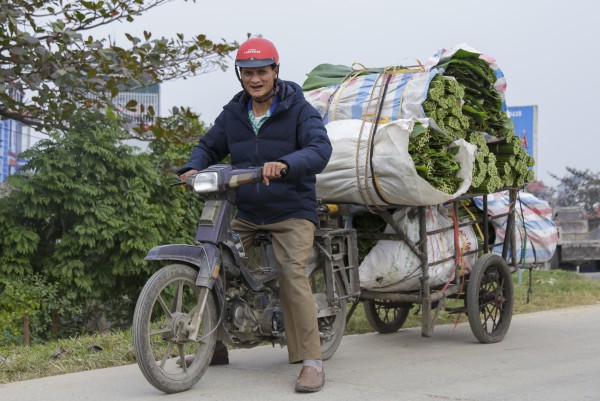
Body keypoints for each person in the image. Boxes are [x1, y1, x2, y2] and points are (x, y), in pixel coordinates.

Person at [178, 37, 332, 393]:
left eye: (261, 72)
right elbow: (208, 145)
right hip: (246, 210)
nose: (254, 79)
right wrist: (191, 168)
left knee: (291, 271)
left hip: (291, 210)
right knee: (214, 261)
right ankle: (213, 346)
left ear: (275, 72)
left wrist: (287, 164)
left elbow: (319, 148)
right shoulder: (233, 113)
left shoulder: (298, 109)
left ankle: (311, 360)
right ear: (240, 75)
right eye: (247, 73)